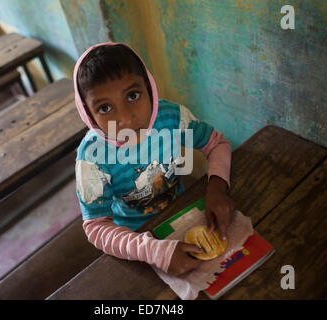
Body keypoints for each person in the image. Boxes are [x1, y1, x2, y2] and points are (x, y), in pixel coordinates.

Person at [74, 42, 237, 276]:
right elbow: (97, 227)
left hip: (183, 213)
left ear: (149, 89)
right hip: (135, 240)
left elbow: (216, 144)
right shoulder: (92, 159)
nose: (126, 119)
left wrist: (217, 189)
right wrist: (154, 251)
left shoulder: (171, 118)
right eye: (105, 108)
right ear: (88, 114)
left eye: (133, 95)